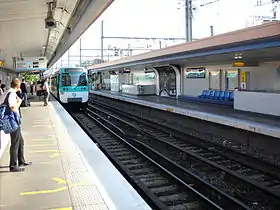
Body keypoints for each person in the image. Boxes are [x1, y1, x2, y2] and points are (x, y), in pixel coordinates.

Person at [5, 78, 31, 172]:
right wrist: (20, 101)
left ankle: (21, 160)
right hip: (12, 121)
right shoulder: (11, 94)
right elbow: (13, 107)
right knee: (15, 143)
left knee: (20, 141)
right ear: (19, 86)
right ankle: (13, 166)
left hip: (13, 120)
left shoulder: (8, 92)